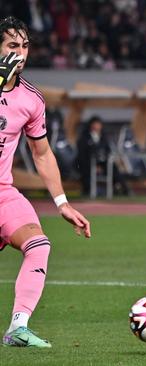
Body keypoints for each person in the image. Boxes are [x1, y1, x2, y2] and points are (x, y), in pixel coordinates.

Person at [0, 16, 91, 348]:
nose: (20, 54)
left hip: (3, 194)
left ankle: (18, 327)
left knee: (38, 245)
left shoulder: (31, 99)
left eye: (24, 46)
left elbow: (41, 153)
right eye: (12, 46)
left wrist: (62, 202)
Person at [75, 115, 130, 196]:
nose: (97, 126)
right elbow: (83, 155)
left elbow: (108, 151)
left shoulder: (103, 137)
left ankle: (124, 189)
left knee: (113, 168)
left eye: (98, 124)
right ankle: (88, 190)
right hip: (87, 164)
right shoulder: (84, 137)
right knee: (87, 173)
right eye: (95, 124)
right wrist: (94, 166)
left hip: (102, 163)